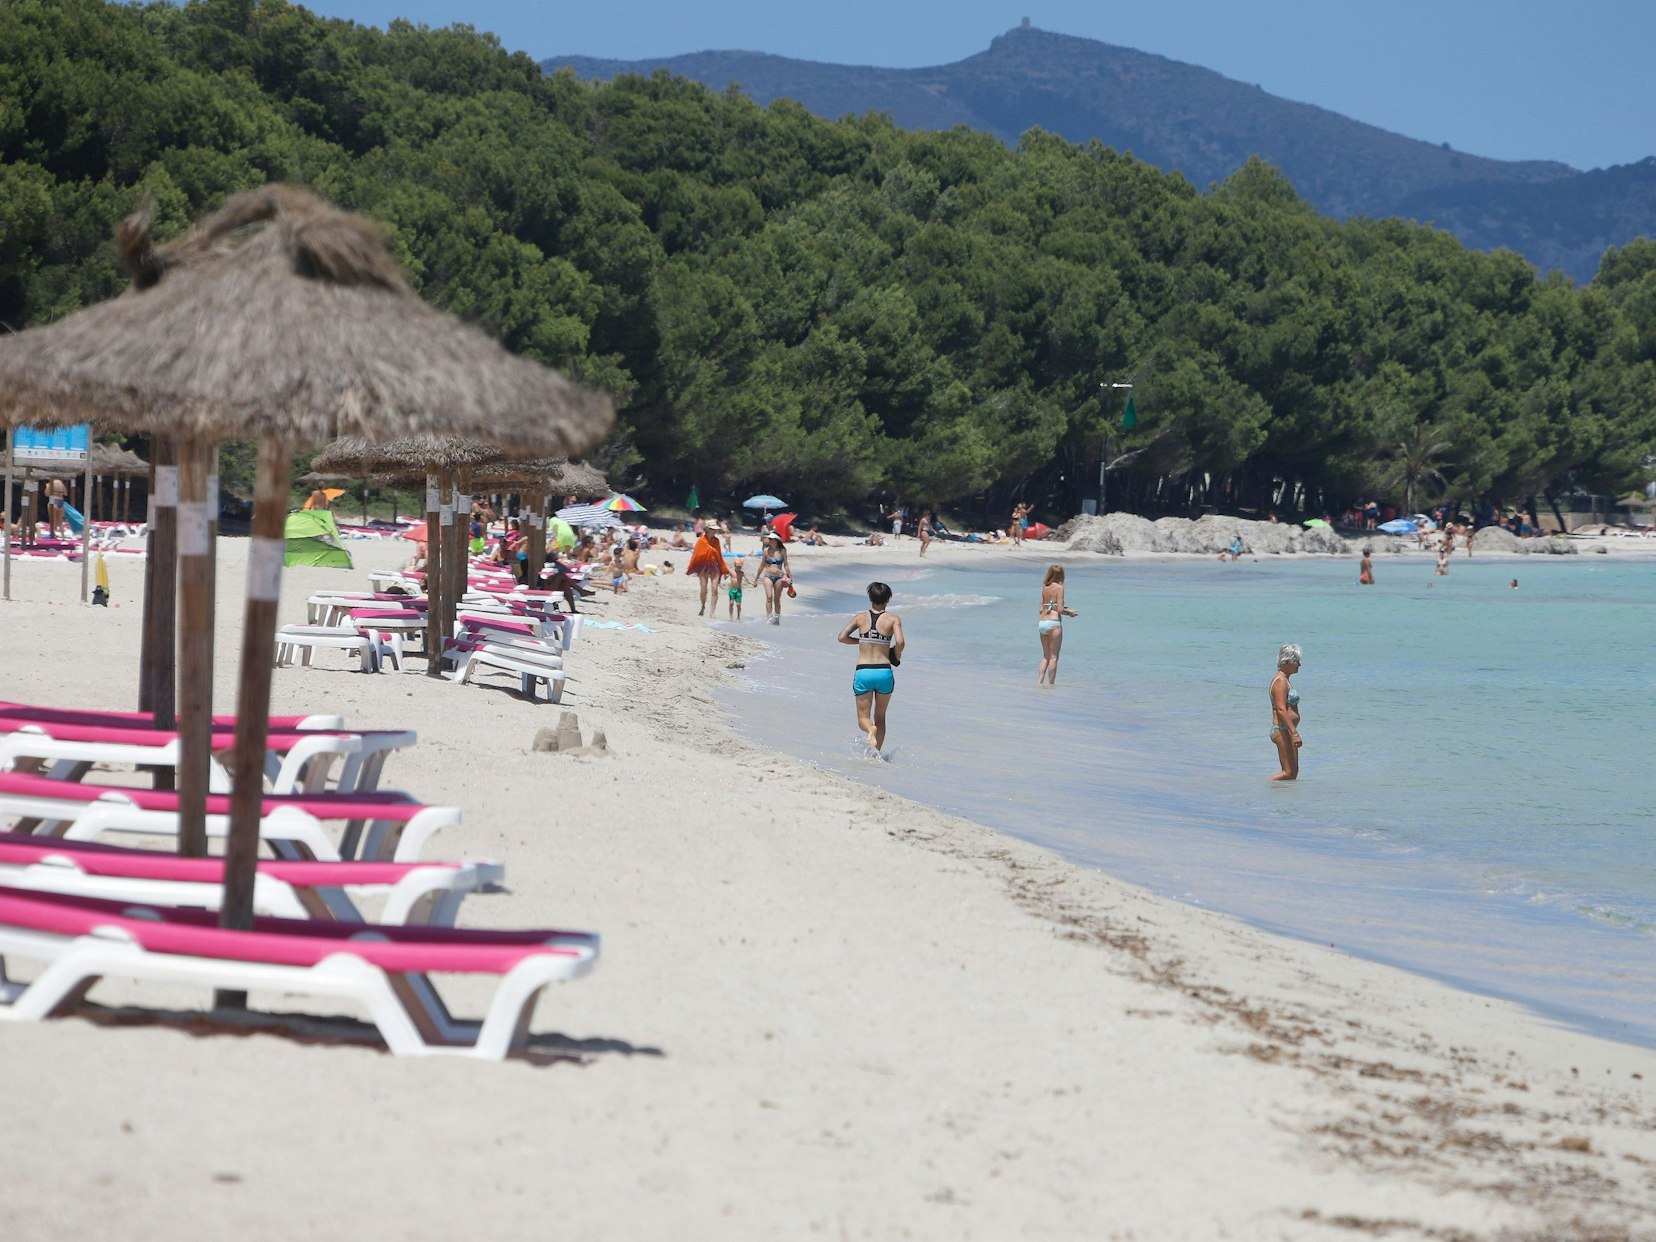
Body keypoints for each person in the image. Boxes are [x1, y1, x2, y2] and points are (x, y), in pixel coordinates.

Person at [838, 581, 905, 757]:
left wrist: (861, 640)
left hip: (864, 671)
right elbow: (900, 642)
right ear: (888, 599)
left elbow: (842, 637)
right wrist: (896, 656)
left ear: (870, 598)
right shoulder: (893, 619)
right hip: (884, 672)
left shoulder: (860, 618)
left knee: (863, 718)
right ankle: (875, 754)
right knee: (880, 717)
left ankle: (870, 730)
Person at [1036, 564, 1079, 685]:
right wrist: (1069, 613)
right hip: (1054, 623)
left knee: (1045, 656)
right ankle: (1051, 685)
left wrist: (1060, 608)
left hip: (1042, 623)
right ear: (1061, 575)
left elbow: (1041, 609)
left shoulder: (1045, 588)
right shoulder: (1060, 588)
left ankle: (1039, 682)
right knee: (1054, 657)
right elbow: (1060, 609)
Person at [1269, 644, 1302, 782]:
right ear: (1287, 661)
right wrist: (1294, 733)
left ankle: (1283, 796)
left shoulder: (1285, 680)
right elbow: (1281, 709)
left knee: (1293, 774)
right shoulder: (1280, 681)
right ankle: (1262, 788)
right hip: (1282, 729)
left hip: (1287, 730)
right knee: (1287, 773)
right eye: (1297, 661)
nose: (1299, 664)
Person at [686, 524, 726, 615]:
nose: (715, 532)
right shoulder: (701, 540)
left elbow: (719, 555)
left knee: (715, 589)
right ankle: (703, 606)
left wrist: (723, 568)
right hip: (703, 566)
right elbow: (696, 555)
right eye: (713, 530)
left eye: (715, 530)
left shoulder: (716, 541)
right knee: (704, 589)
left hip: (715, 565)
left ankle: (712, 612)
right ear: (708, 530)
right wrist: (694, 567)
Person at [756, 533, 794, 624]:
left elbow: (786, 565)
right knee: (769, 597)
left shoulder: (782, 551)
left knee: (777, 598)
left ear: (776, 541)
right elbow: (762, 565)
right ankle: (769, 617)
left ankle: (777, 618)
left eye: (772, 539)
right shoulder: (766, 551)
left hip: (779, 577)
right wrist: (756, 578)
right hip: (768, 576)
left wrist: (790, 576)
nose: (770, 541)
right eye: (770, 539)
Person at [727, 554, 746, 620]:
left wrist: (753, 583)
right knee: (731, 603)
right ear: (735, 566)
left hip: (738, 590)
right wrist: (725, 575)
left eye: (740, 567)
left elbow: (748, 580)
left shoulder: (742, 573)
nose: (739, 568)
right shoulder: (731, 572)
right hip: (732, 590)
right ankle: (731, 616)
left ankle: (738, 616)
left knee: (738, 604)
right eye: (737, 567)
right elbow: (726, 576)